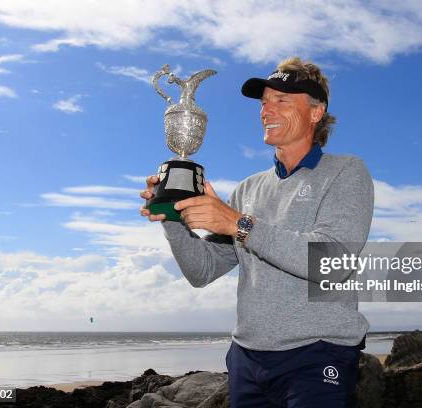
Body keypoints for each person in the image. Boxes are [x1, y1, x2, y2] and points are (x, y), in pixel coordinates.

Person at [140, 57, 374, 407]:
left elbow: (332, 261)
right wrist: (174, 216)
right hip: (247, 359)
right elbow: (202, 272)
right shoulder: (248, 189)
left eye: (282, 100)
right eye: (264, 102)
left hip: (319, 354)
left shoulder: (346, 172)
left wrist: (238, 223)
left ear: (315, 112)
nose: (267, 110)